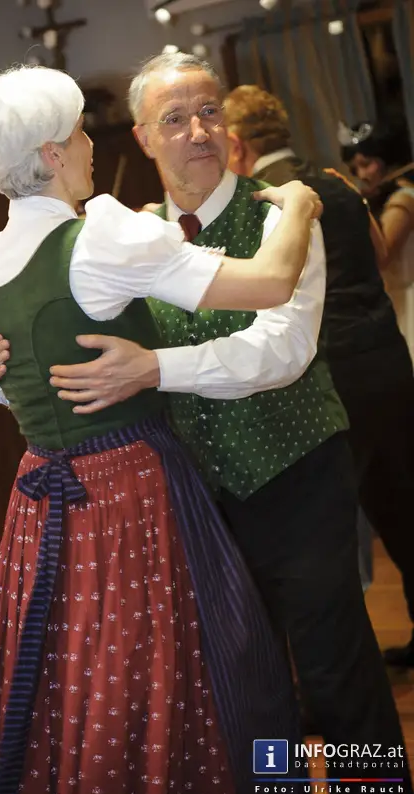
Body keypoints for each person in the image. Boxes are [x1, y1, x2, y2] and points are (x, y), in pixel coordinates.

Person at [0, 54, 412, 791]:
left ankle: (379, 787)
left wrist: (153, 367)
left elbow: (284, 347)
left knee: (337, 671)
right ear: (143, 138)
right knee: (250, 678)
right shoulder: (129, 234)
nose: (198, 130)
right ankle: (281, 788)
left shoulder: (282, 214)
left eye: (210, 112)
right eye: (175, 119)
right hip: (189, 494)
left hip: (295, 472)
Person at [225, 84, 414, 669]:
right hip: (388, 362)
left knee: (330, 542)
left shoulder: (259, 204)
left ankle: (338, 683)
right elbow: (380, 256)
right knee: (407, 512)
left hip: (333, 376)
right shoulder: (337, 183)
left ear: (237, 146)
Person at [340, 118, 414, 359]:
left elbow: (382, 256)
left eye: (366, 164)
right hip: (396, 299)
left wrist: (357, 202)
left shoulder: (403, 199)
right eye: (354, 169)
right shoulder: (384, 199)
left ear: (385, 159)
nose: (361, 175)